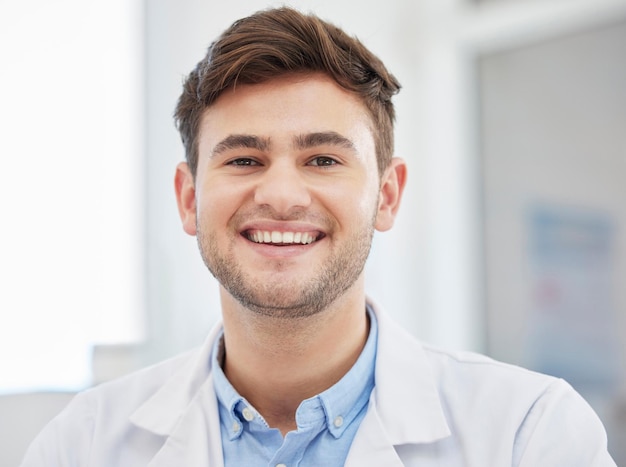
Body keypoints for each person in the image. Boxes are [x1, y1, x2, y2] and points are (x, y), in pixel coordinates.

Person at [21, 6, 616, 467]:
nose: (282, 195)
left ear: (387, 195)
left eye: (324, 160)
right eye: (244, 160)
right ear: (188, 198)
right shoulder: (84, 443)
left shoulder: (529, 433)